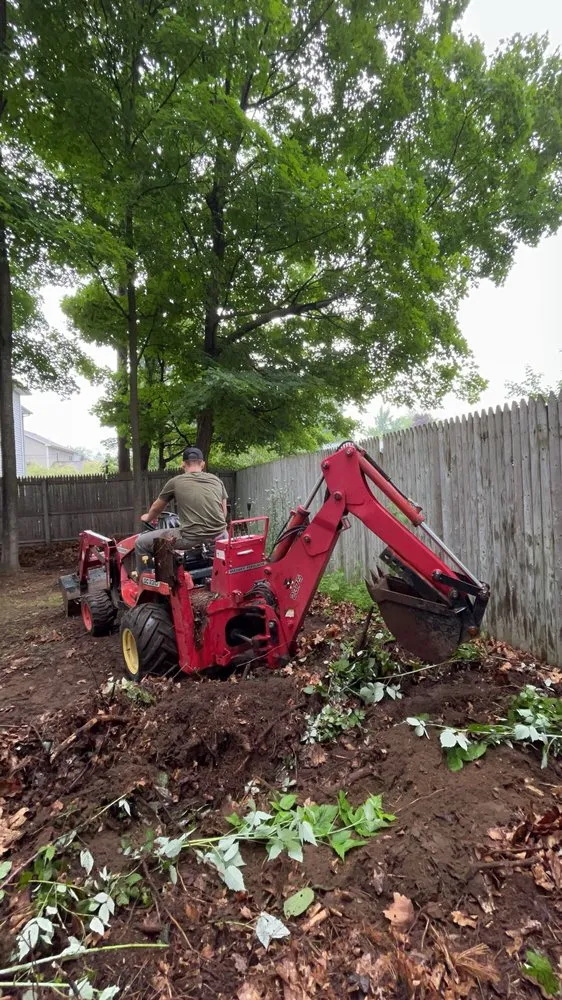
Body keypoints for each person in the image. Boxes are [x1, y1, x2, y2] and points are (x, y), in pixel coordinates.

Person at [134, 446, 228, 576]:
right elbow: (223, 512)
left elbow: (157, 507)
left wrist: (147, 517)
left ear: (183, 464)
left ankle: (144, 581)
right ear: (203, 464)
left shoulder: (175, 482)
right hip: (221, 534)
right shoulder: (216, 480)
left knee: (140, 542)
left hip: (191, 537)